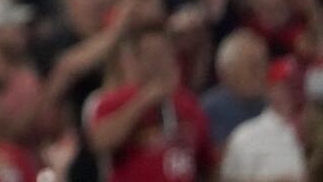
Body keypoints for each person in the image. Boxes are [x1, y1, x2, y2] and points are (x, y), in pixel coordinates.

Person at [89, 26, 215, 182]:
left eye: (164, 54)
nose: (159, 62)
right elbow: (100, 143)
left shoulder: (189, 103)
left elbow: (207, 162)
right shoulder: (114, 102)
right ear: (136, 60)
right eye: (152, 55)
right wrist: (144, 100)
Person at [201, 29, 269, 146]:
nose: (263, 73)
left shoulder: (274, 102)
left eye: (264, 64)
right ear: (227, 73)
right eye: (254, 67)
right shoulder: (208, 111)